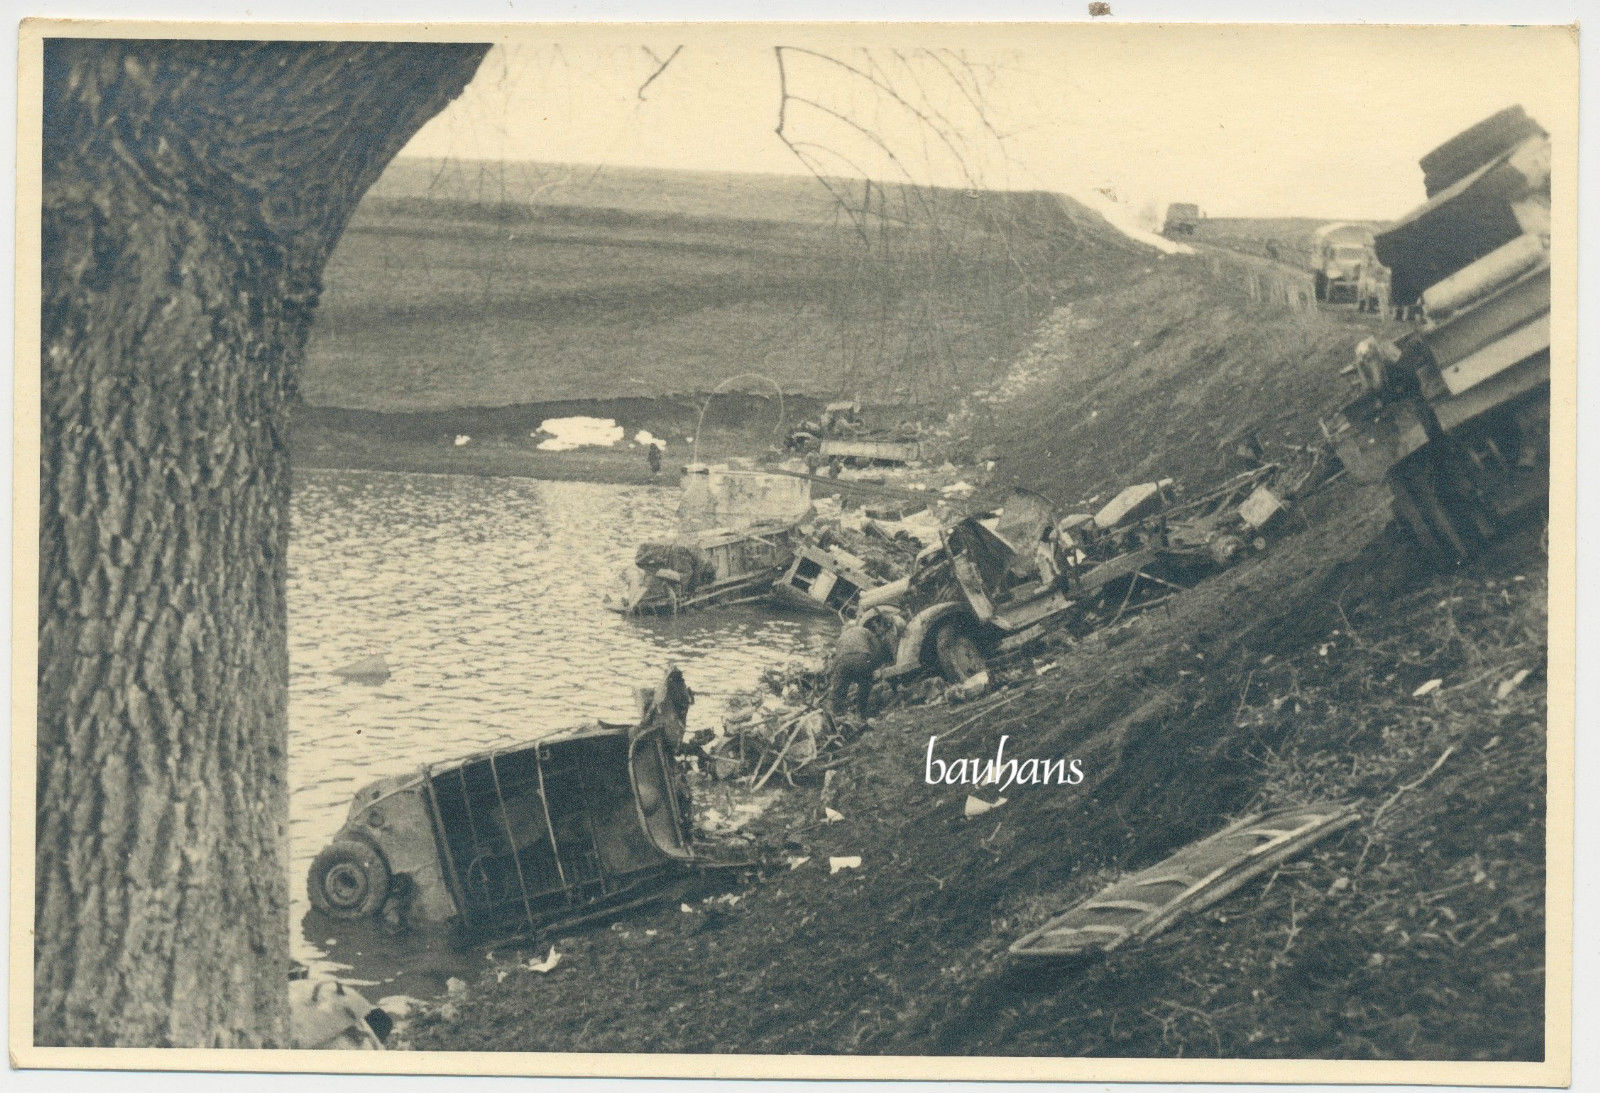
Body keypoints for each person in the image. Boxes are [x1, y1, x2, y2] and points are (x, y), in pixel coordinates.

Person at [829, 610, 897, 721]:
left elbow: (836, 659)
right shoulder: (864, 631)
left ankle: (837, 716)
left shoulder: (841, 637)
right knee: (864, 684)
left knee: (840, 689)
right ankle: (861, 714)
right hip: (861, 658)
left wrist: (835, 676)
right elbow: (877, 648)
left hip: (843, 661)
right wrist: (876, 667)